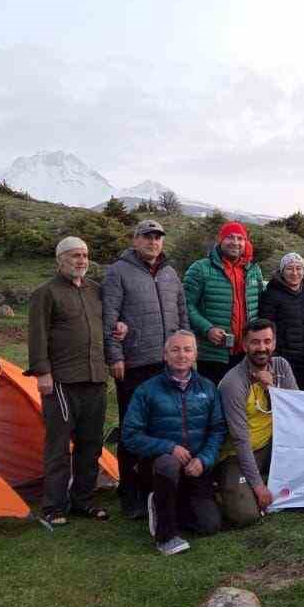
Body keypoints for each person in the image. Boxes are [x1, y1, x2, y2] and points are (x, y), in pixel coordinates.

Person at [101, 218, 189, 518]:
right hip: (135, 363)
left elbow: (182, 312)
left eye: (158, 238)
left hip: (169, 364)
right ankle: (130, 493)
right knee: (132, 429)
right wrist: (115, 356)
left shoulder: (170, 273)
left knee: (164, 425)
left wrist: (188, 351)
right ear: (135, 240)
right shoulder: (118, 272)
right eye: (147, 237)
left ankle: (156, 487)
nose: (154, 242)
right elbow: (110, 316)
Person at [26, 236, 109, 526]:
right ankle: (54, 505)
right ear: (60, 260)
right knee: (58, 446)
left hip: (95, 377)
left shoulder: (96, 291)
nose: (81, 261)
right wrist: (42, 372)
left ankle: (83, 499)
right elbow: (36, 335)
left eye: (85, 255)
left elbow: (106, 327)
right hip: (61, 380)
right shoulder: (45, 293)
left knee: (91, 443)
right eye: (75, 256)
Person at [120, 330, 225, 555]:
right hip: (159, 466)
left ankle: (164, 504)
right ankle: (165, 536)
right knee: (168, 463)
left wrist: (203, 460)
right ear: (165, 355)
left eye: (187, 349)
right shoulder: (147, 390)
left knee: (210, 526)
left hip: (195, 467)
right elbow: (130, 436)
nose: (181, 355)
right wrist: (169, 447)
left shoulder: (208, 388)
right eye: (175, 350)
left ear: (196, 355)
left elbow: (217, 430)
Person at [216, 317, 297, 527]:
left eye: (267, 341)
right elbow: (240, 439)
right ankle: (220, 489)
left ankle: (261, 477)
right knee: (246, 516)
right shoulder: (233, 382)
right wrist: (259, 487)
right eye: (255, 342)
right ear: (244, 345)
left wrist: (273, 389)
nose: (262, 348)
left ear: (274, 343)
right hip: (237, 453)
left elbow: (295, 411)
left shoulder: (281, 366)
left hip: (271, 445)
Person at [183, 222, 265, 385]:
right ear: (220, 240)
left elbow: (261, 305)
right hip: (213, 354)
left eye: (240, 238)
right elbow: (185, 305)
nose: (235, 242)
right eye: (230, 237)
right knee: (214, 402)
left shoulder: (254, 270)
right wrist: (207, 329)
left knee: (243, 404)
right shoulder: (200, 269)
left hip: (246, 353)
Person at [259, 252, 304, 391]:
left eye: (299, 268)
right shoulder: (270, 296)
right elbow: (266, 331)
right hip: (284, 364)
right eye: (290, 268)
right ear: (282, 271)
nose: (294, 273)